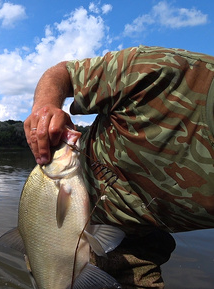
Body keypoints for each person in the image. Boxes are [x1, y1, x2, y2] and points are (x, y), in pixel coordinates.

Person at [24, 45, 214, 288]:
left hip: (141, 243)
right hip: (58, 228)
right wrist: (45, 109)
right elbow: (64, 73)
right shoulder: (157, 70)